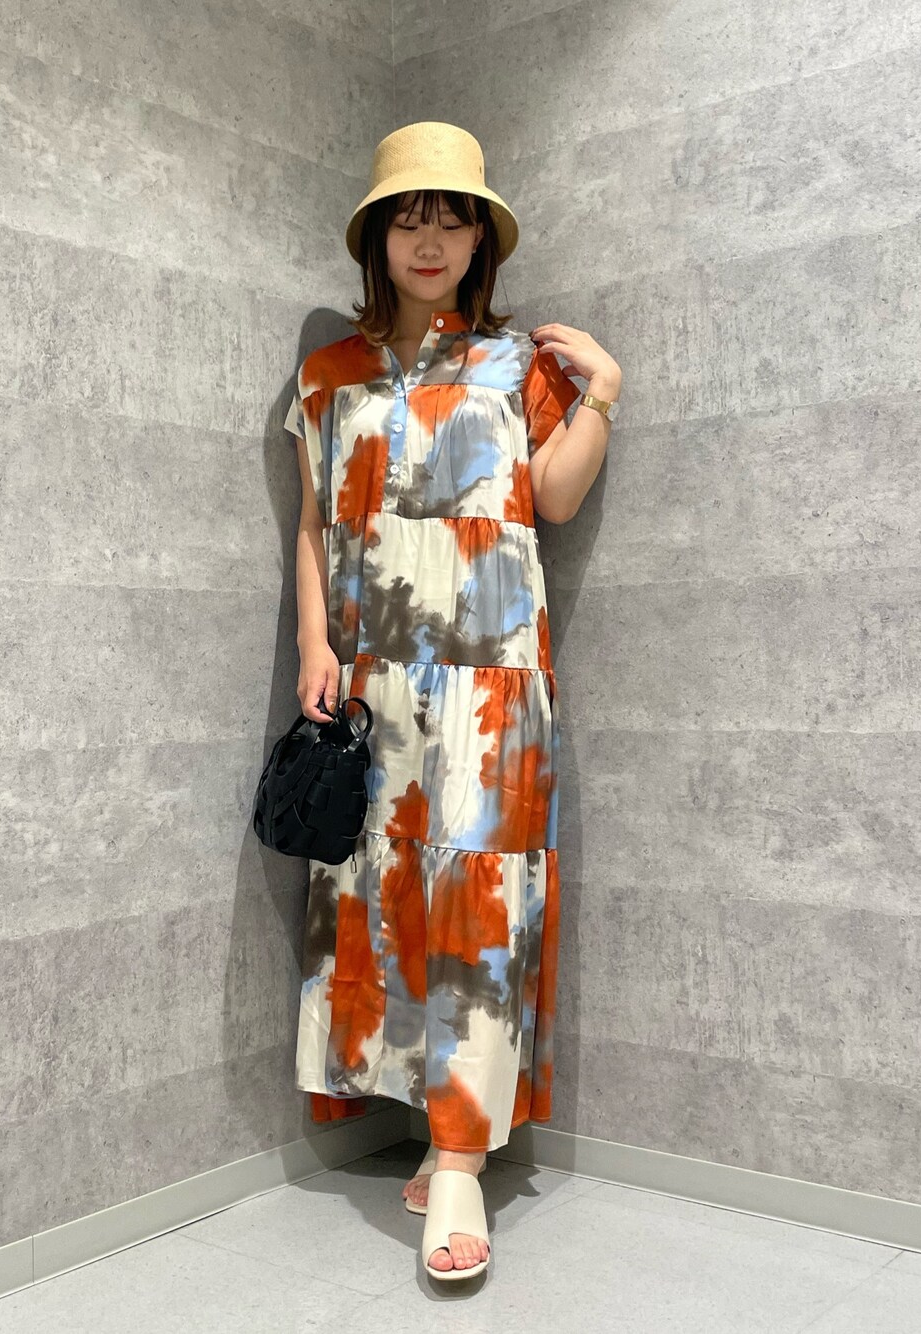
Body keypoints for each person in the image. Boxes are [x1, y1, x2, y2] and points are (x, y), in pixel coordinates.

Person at [282, 120, 621, 1281]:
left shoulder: (516, 363)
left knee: (478, 904)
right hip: (372, 676)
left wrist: (601, 392)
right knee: (382, 893)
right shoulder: (329, 375)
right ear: (378, 239)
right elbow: (316, 521)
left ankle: (464, 1159)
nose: (430, 239)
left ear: (481, 241)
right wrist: (314, 641)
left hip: (493, 674)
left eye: (452, 219)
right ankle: (434, 1126)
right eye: (409, 219)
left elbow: (553, 498)